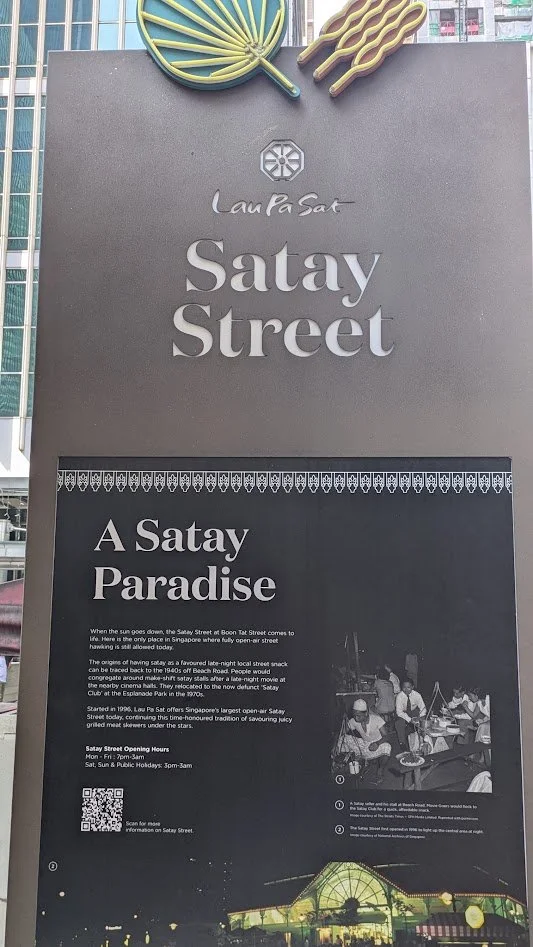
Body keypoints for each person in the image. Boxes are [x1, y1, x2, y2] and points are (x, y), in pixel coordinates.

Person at [347, 698, 391, 782]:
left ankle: (380, 770)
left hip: (378, 744)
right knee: (344, 739)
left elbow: (387, 736)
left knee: (387, 747)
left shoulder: (376, 719)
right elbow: (342, 731)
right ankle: (364, 761)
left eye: (359, 715)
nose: (356, 718)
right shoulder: (353, 721)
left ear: (366, 713)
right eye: (354, 715)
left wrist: (377, 743)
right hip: (364, 745)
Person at [395, 680, 426, 748]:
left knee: (422, 721)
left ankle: (422, 740)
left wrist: (420, 717)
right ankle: (402, 742)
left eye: (408, 687)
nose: (406, 689)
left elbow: (423, 708)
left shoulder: (417, 695)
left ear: (412, 687)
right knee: (399, 723)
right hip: (403, 713)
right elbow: (399, 712)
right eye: (404, 687)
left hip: (413, 711)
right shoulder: (399, 696)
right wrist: (409, 719)